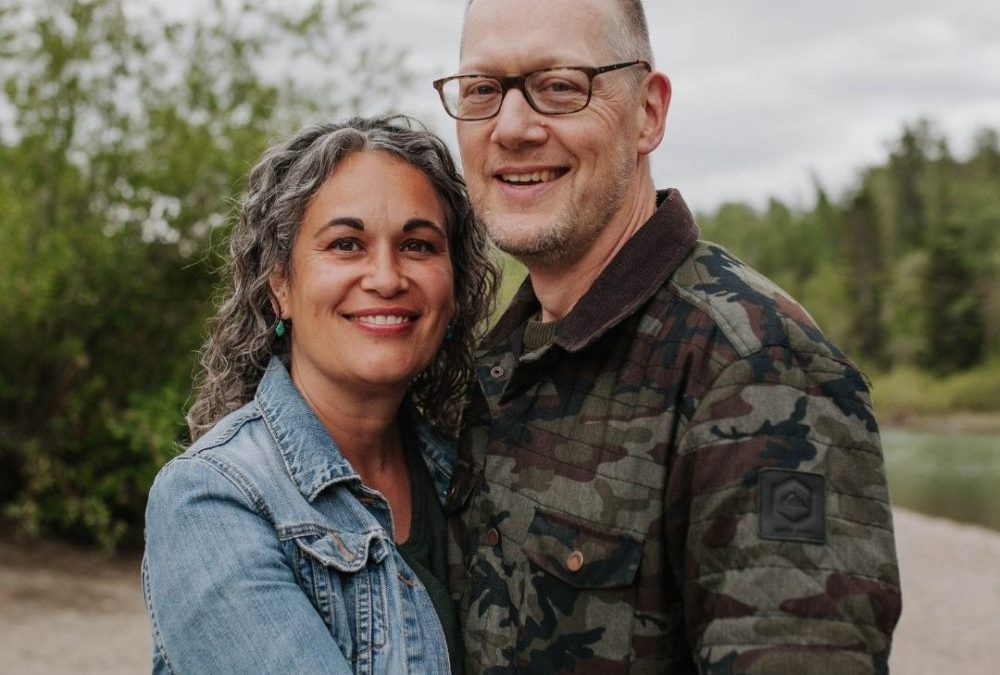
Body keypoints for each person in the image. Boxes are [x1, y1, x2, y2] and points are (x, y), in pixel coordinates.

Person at [434, 1, 902, 673]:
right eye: (482, 90)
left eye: (560, 86)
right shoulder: (494, 368)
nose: (511, 127)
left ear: (648, 112)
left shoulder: (758, 370)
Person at [142, 116, 499, 674]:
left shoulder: (475, 472)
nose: (386, 277)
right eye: (346, 244)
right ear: (279, 284)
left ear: (454, 286)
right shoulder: (211, 498)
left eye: (418, 245)